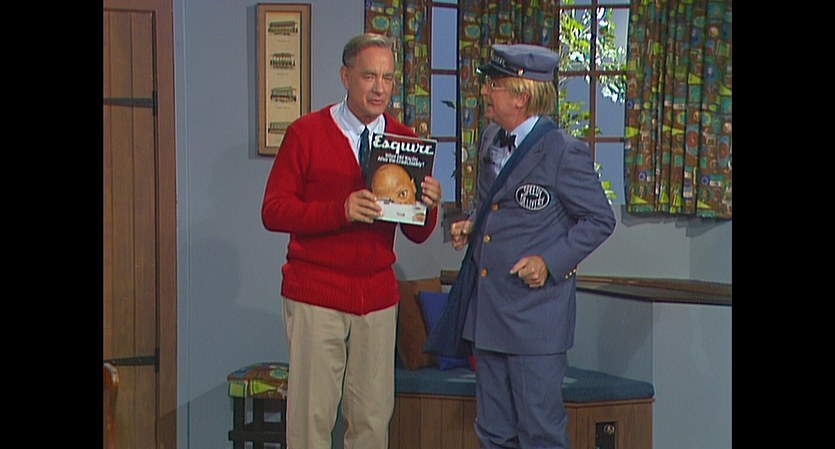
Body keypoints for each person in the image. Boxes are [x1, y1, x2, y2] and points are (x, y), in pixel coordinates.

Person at [261, 33, 442, 449]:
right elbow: (273, 211)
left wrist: (429, 206)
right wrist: (338, 211)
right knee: (311, 420)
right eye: (369, 76)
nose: (380, 88)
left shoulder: (405, 141)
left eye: (388, 78)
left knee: (372, 421)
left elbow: (416, 232)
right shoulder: (306, 133)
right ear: (346, 76)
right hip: (316, 294)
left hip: (376, 299)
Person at [447, 44, 616, 449]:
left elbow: (600, 219)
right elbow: (493, 203)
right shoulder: (491, 139)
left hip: (535, 320)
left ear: (521, 97)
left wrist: (550, 261)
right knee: (493, 434)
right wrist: (473, 224)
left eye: (494, 85)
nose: (485, 92)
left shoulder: (563, 151)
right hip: (490, 314)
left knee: (540, 433)